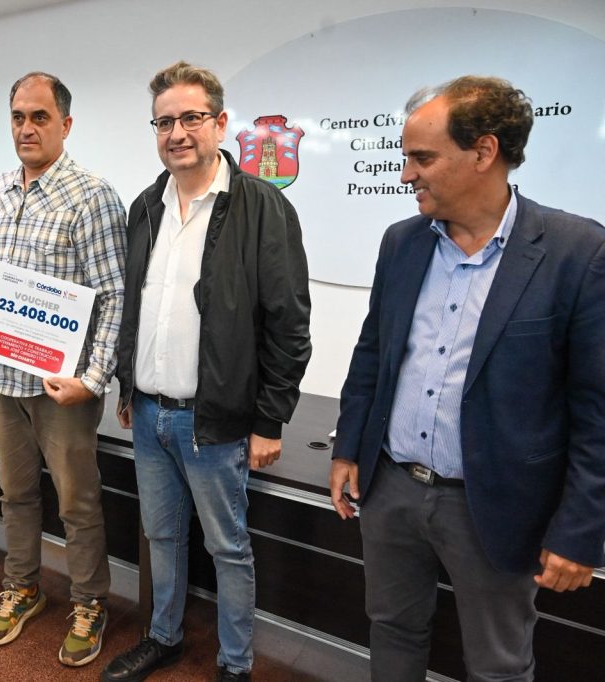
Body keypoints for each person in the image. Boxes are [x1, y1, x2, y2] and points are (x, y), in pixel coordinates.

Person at [329, 76, 605, 681]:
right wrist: (348, 446)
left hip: (497, 504)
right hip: (390, 488)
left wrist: (582, 530)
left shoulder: (577, 252)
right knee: (392, 629)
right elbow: (373, 352)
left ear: (484, 152)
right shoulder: (402, 243)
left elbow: (598, 411)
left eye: (423, 158)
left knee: (498, 664)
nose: (406, 174)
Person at [103, 61, 311, 682]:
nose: (177, 133)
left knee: (227, 547)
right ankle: (163, 637)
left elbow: (289, 323)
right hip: (148, 413)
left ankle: (235, 664)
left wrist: (270, 420)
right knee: (161, 536)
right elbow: (133, 305)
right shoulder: (146, 207)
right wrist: (126, 383)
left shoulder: (263, 207)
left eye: (191, 118)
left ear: (220, 123)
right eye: (164, 122)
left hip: (215, 422)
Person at [0, 72, 126, 667]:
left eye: (39, 117)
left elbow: (114, 296)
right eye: (18, 117)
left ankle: (90, 601)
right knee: (14, 495)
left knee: (77, 503)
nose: (26, 128)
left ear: (65, 124)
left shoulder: (92, 196)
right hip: (0, 380)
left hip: (61, 388)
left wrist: (92, 380)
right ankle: (22, 587)